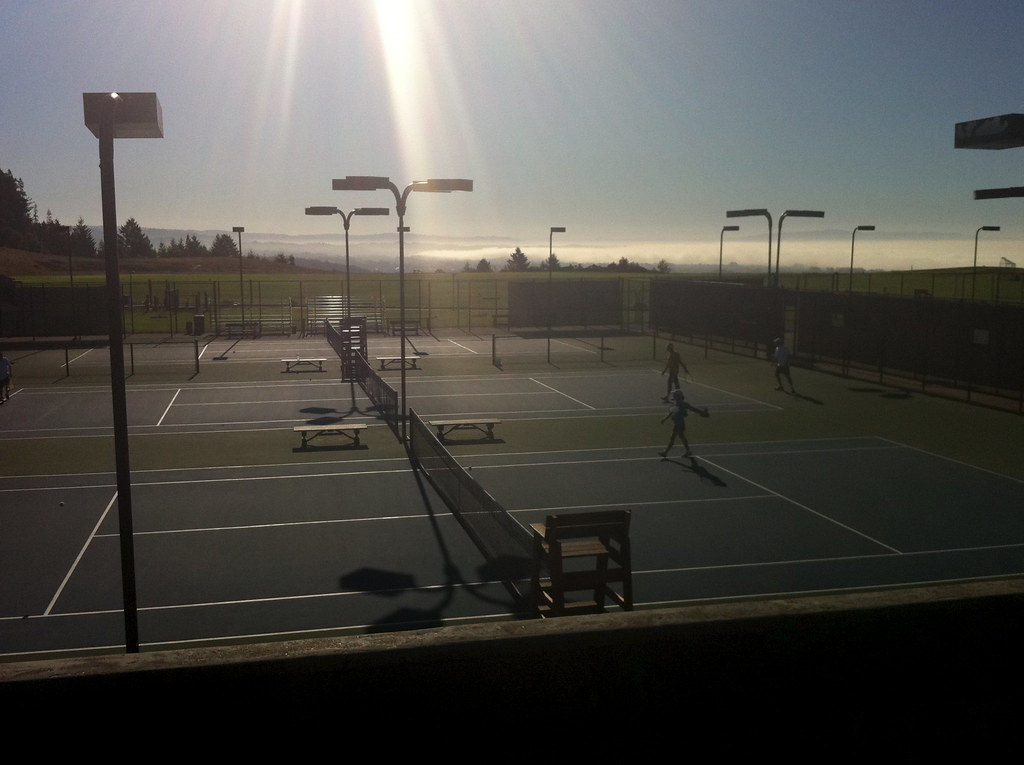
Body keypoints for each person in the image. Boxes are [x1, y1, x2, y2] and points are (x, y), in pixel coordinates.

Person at [659, 389, 708, 459]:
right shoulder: (675, 404)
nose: (673, 396)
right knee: (677, 437)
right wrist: (665, 418)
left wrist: (702, 412)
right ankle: (685, 451)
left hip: (680, 424)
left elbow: (693, 409)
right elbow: (671, 413)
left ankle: (666, 452)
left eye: (675, 395)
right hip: (676, 423)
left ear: (678, 396)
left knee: (676, 437)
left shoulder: (684, 404)